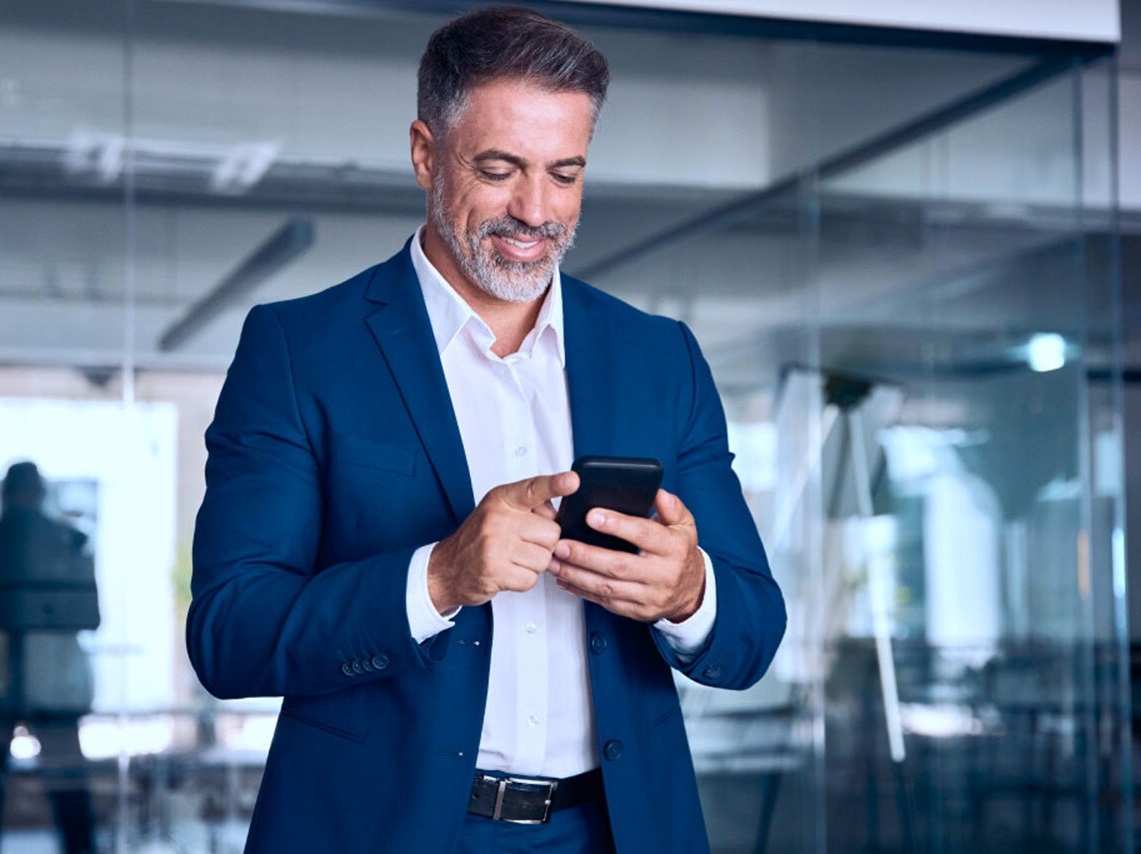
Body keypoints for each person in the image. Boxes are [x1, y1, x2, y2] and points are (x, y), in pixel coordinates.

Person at [188, 6, 785, 852]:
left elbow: (754, 628)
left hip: (616, 832)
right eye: (500, 169)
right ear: (426, 153)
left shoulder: (662, 358)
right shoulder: (300, 351)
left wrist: (689, 593)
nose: (536, 210)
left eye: (565, 172)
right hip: (383, 830)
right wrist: (438, 576)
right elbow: (230, 633)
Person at [0, 461, 99, 854]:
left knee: (51, 791)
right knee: (56, 790)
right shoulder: (66, 542)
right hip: (19, 685)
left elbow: (88, 615)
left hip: (19, 685)